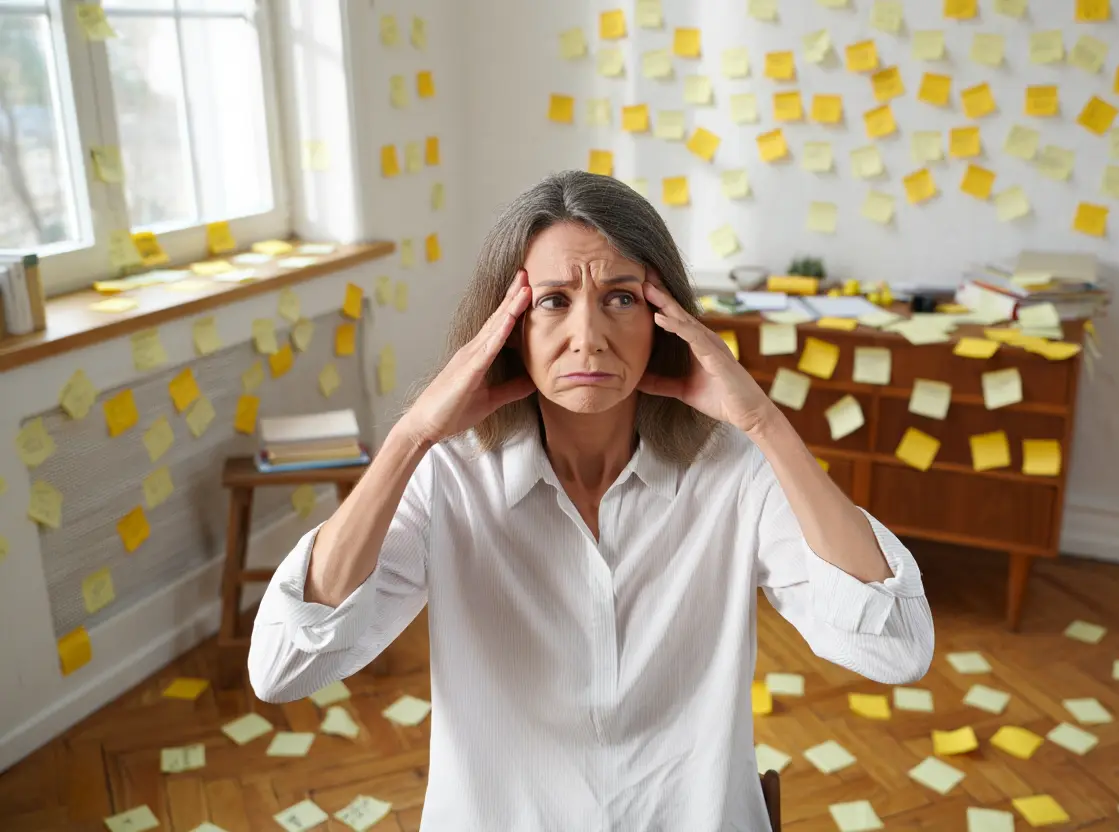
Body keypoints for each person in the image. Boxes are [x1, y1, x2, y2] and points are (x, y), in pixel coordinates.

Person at [249, 170, 934, 831]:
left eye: (621, 297)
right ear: (508, 325)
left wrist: (764, 423)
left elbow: (897, 648)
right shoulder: (449, 475)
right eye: (553, 300)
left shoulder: (731, 468)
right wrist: (412, 435)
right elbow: (284, 668)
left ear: (664, 318)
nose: (589, 336)